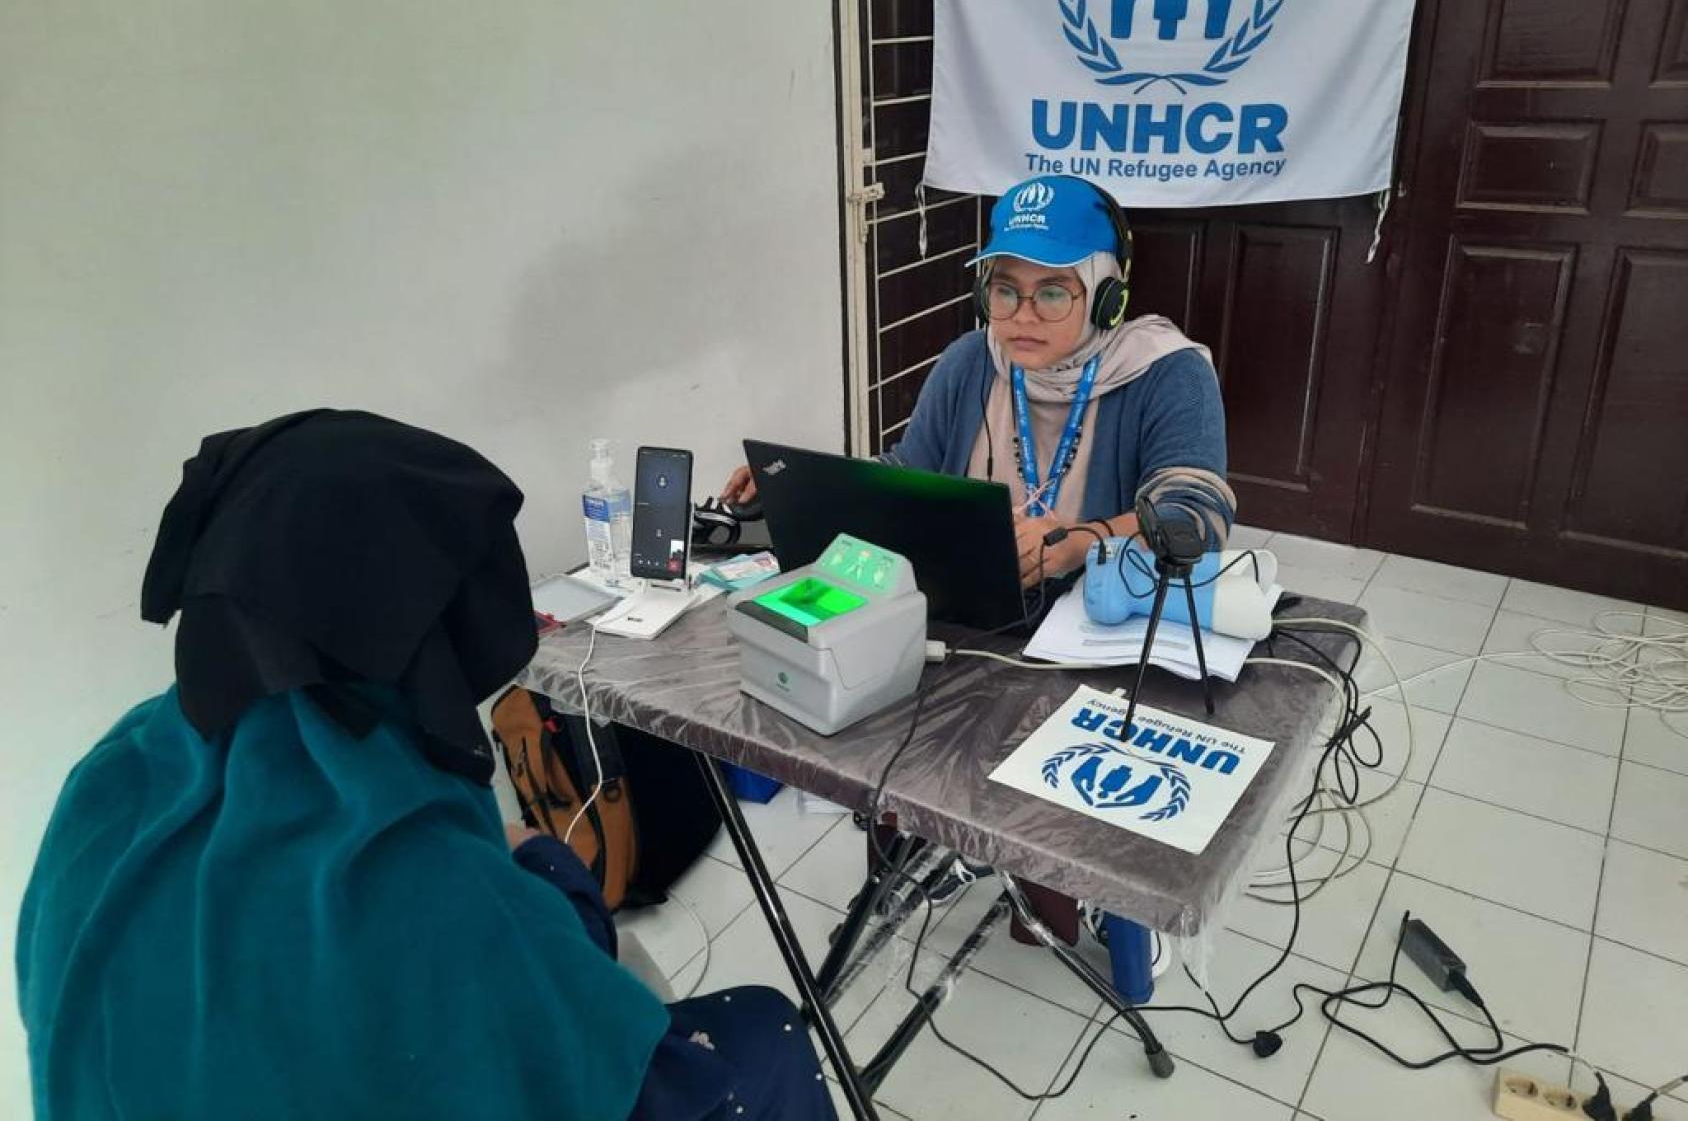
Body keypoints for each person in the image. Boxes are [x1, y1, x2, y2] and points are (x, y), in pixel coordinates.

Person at [17, 410, 835, 1121]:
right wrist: (553, 875)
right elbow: (591, 1050)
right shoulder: (417, 882)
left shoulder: (105, 779)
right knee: (764, 1027)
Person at [723, 173, 1234, 587]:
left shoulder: (1168, 372)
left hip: (1098, 620)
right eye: (1005, 290)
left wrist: (1078, 544)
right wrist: (795, 486)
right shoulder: (971, 359)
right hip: (972, 612)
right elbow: (906, 474)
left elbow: (1194, 519)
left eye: (1053, 293)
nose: (1022, 316)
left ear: (1107, 299)